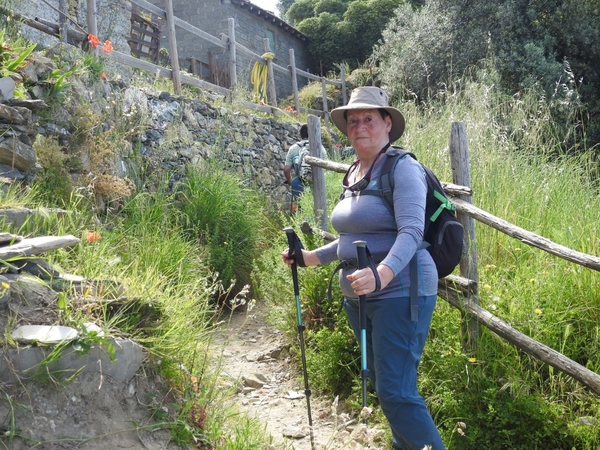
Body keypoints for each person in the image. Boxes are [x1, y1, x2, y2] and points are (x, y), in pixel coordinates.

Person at [281, 86, 445, 449]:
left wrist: (381, 274)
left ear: (387, 123)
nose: (359, 126)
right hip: (362, 297)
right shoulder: (355, 171)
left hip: (402, 292)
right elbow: (350, 238)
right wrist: (309, 258)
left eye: (368, 118)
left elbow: (412, 231)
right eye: (352, 120)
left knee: (395, 391)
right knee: (389, 389)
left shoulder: (403, 168)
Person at [283, 123, 310, 202]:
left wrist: (290, 181)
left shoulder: (293, 148)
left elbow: (286, 169)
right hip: (317, 184)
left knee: (300, 204)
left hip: (300, 182)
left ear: (300, 135)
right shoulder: (319, 147)